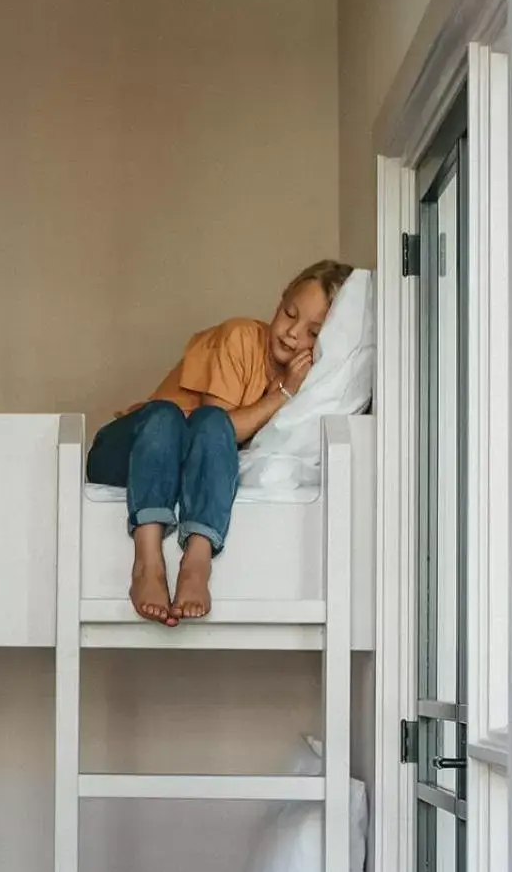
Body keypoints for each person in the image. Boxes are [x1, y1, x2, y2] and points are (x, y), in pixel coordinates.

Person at [87, 259, 353, 625]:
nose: (292, 333)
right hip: (130, 448)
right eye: (289, 314)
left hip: (175, 468)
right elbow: (215, 431)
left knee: (204, 429)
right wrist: (283, 393)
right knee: (176, 416)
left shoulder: (314, 385)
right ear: (279, 303)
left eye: (312, 332)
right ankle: (147, 564)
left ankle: (196, 562)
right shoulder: (242, 338)